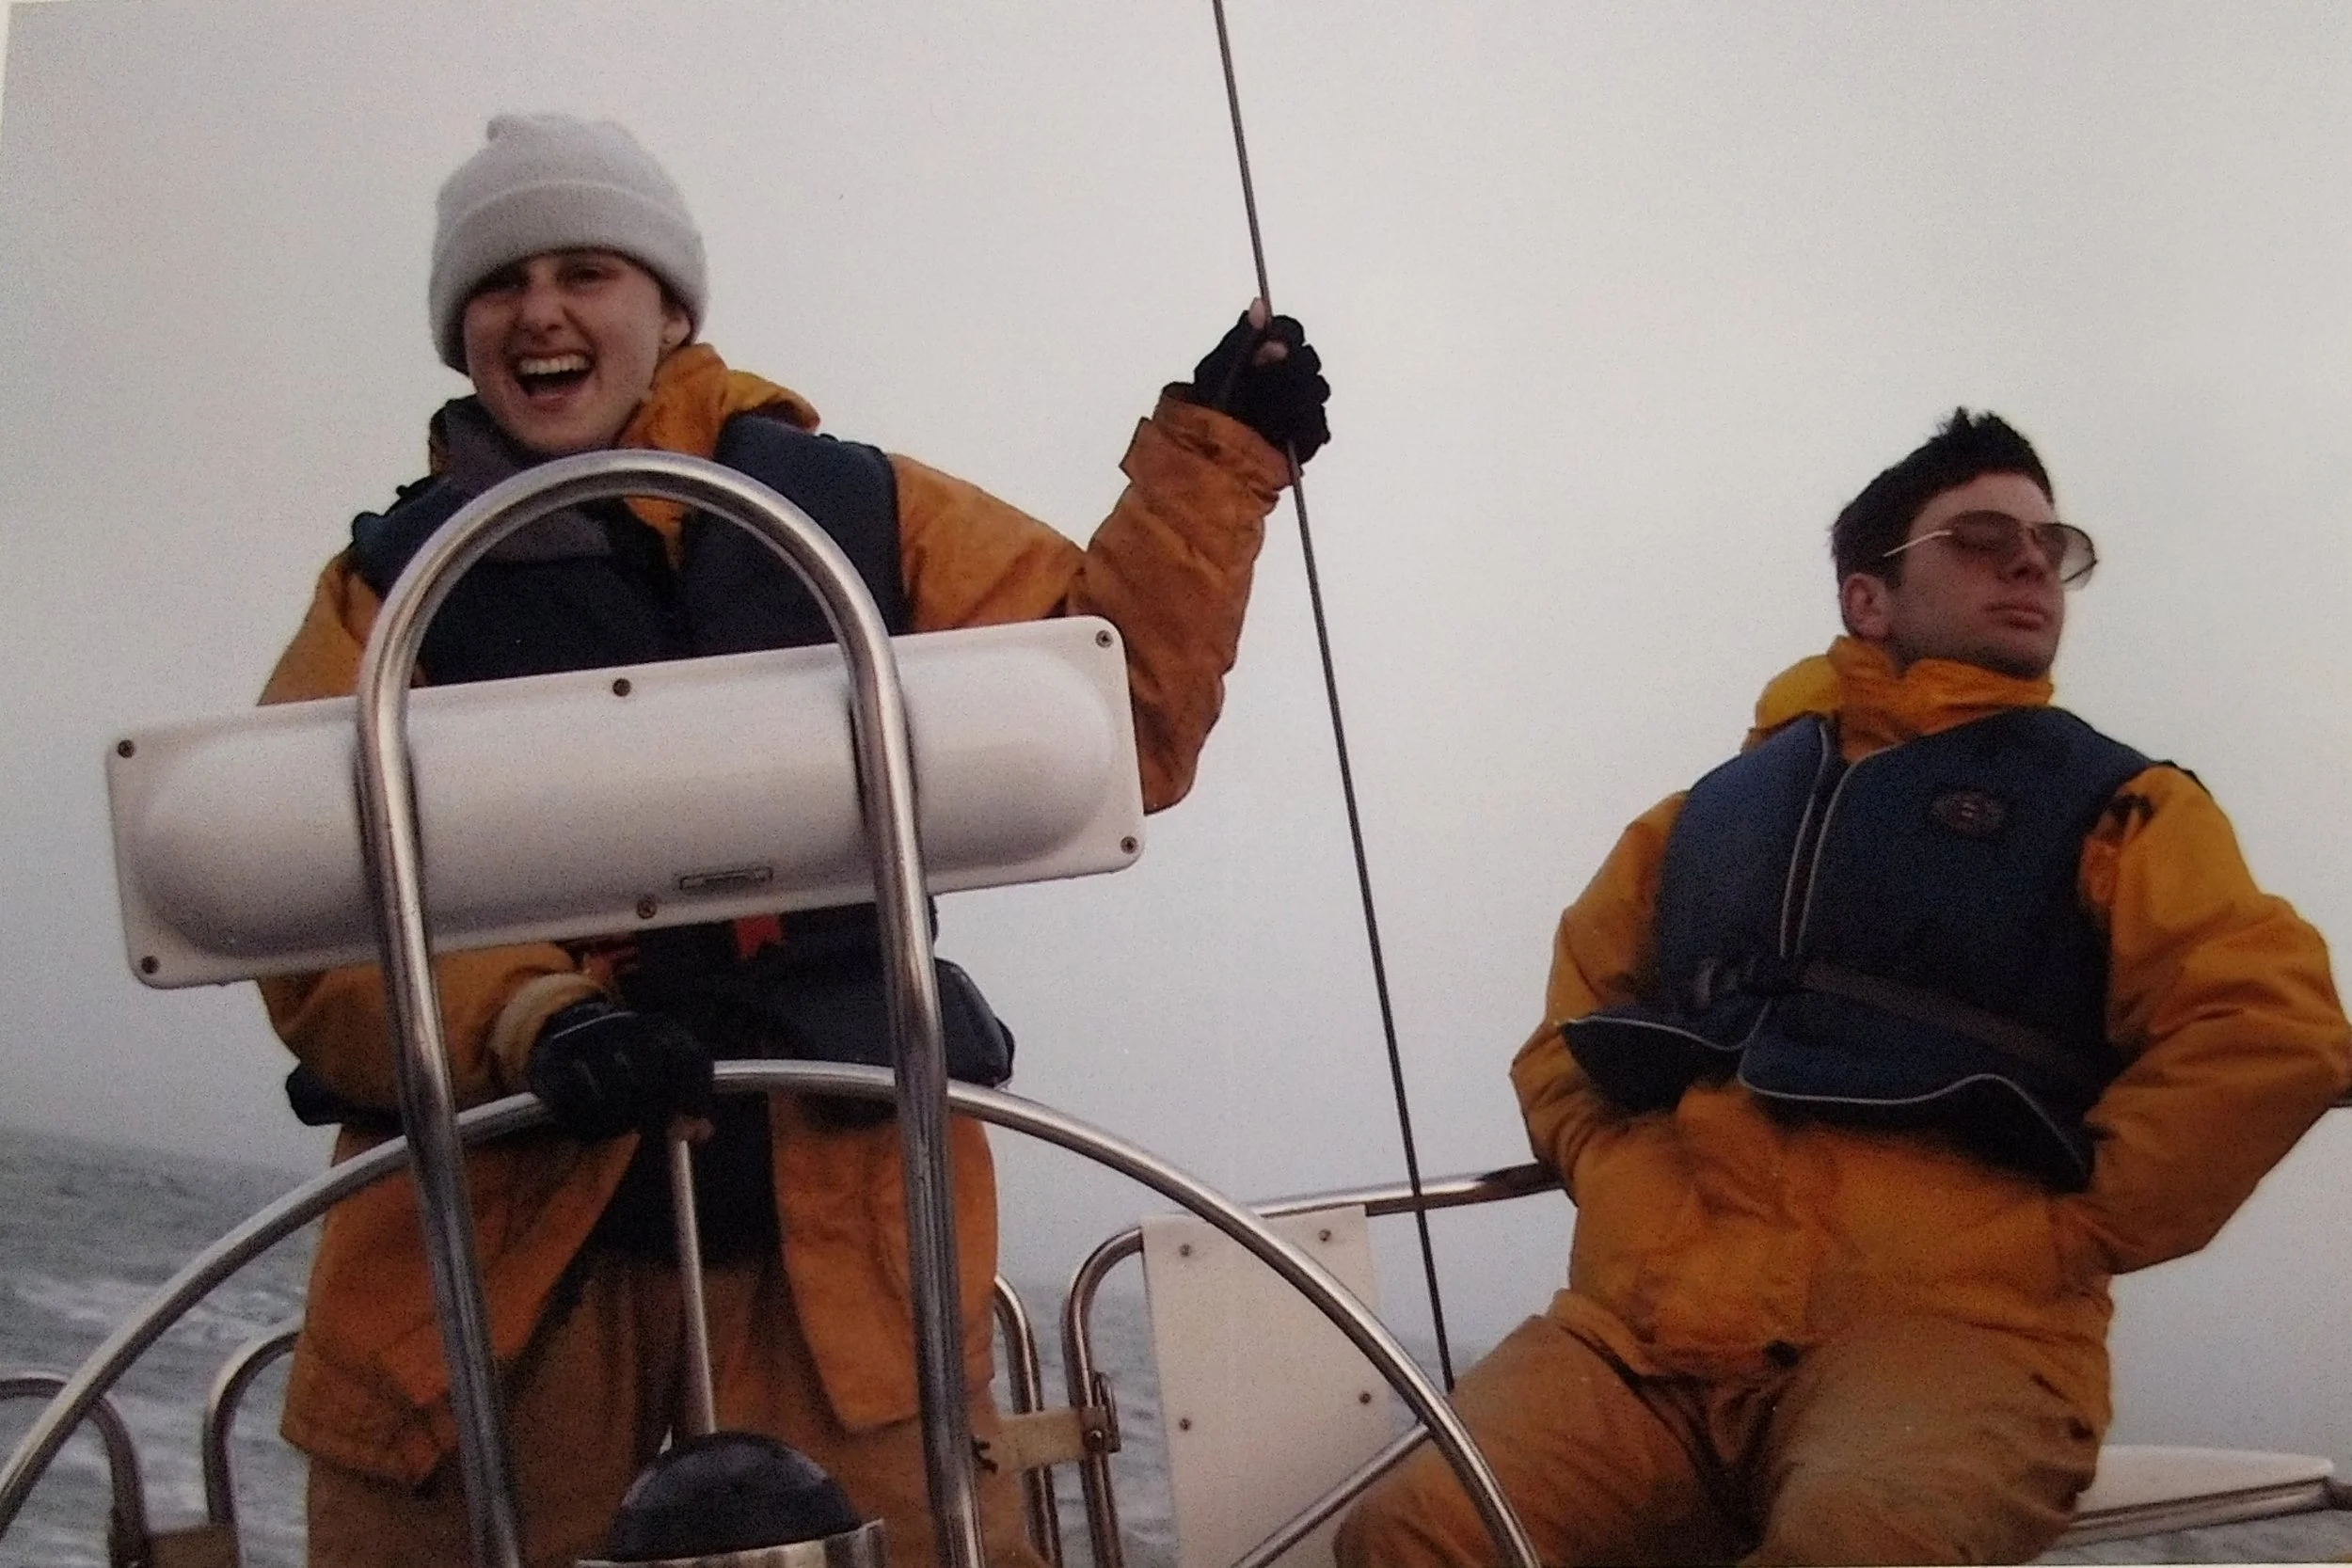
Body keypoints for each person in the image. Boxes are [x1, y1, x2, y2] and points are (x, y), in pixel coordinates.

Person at [259, 113, 1329, 1568]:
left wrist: (1218, 460)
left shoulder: (861, 519)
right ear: (460, 334)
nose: (543, 312)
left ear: (670, 306)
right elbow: (312, 914)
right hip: (497, 1256)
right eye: (502, 284)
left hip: (843, 1246)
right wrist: (527, 1013)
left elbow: (1120, 716)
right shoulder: (385, 597)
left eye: (587, 270)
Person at [1338, 410, 2349, 1566]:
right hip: (1648, 1333)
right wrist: (1622, 1177)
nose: (2029, 561)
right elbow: (1570, 1031)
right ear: (1868, 598)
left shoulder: (2123, 806)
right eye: (1979, 535)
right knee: (1413, 1533)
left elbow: (2268, 1026)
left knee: (1856, 1545)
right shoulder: (1697, 822)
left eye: (2050, 543)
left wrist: (2073, 1231)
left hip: (1951, 1333)